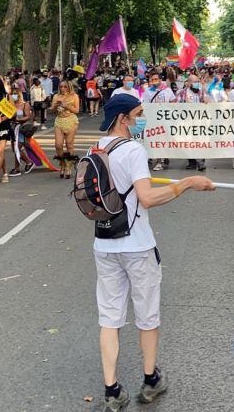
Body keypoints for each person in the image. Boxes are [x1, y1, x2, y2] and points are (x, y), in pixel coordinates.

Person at [92, 93, 215, 412]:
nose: (142, 119)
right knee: (147, 316)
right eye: (138, 114)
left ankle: (111, 390)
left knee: (110, 318)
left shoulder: (97, 148)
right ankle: (150, 380)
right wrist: (187, 183)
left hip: (104, 244)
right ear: (123, 119)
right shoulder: (132, 150)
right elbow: (146, 198)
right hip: (137, 245)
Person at [52, 80, 81, 179]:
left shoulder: (74, 96)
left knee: (69, 143)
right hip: (59, 121)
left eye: (65, 87)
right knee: (58, 145)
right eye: (61, 87)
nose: (62, 88)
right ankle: (62, 164)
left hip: (71, 120)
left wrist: (67, 106)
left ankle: (69, 166)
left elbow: (77, 110)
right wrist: (56, 105)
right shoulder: (56, 96)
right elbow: (52, 110)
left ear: (69, 87)